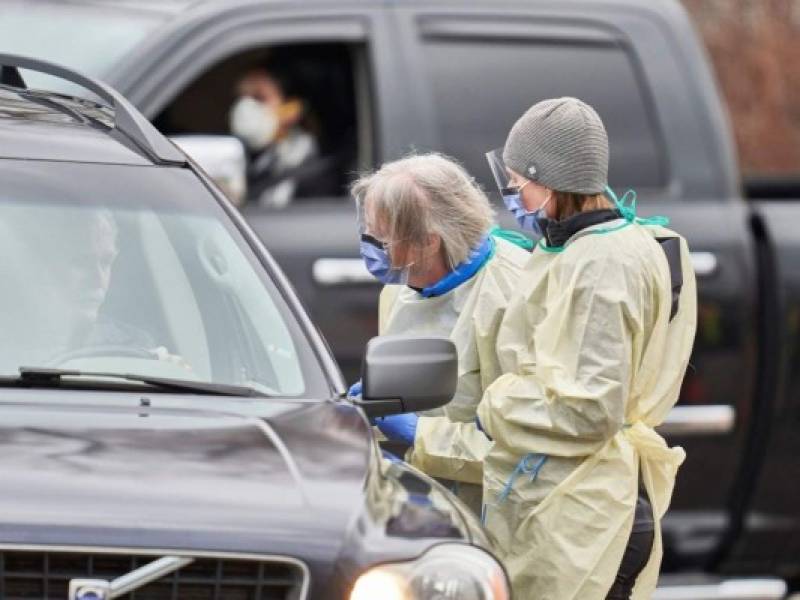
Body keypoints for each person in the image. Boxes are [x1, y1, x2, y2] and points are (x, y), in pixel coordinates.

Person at [477, 98, 697, 599]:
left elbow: (590, 410)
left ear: (548, 178)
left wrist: (495, 409)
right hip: (575, 501)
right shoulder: (586, 247)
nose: (512, 193)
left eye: (518, 181)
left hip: (589, 514)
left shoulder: (603, 263)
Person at [349, 153, 529, 515]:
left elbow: (524, 452)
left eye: (381, 240)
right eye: (366, 233)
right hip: (430, 503)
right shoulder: (401, 288)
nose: (370, 249)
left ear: (429, 242)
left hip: (507, 513)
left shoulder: (514, 295)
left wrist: (420, 435)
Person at [229, 58, 334, 208]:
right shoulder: (238, 158)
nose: (246, 108)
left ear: (291, 108)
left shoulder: (314, 170)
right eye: (241, 98)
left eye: (259, 98)